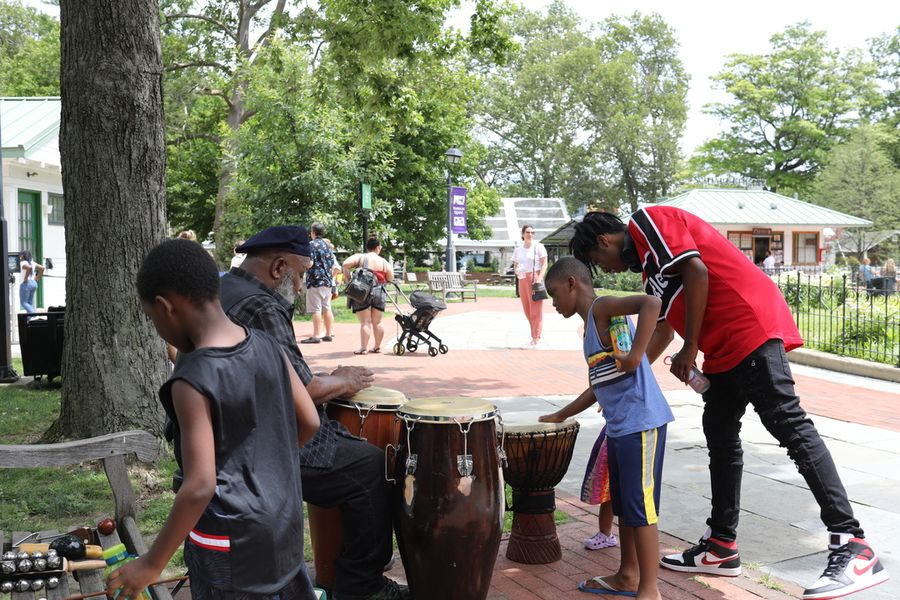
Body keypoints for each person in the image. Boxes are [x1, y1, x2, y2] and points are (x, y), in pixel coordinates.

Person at [570, 208, 889, 599]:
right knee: (719, 436)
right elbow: (664, 328)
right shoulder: (650, 272)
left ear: (603, 241)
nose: (606, 268)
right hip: (721, 348)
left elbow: (697, 271)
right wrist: (625, 381)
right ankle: (721, 545)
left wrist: (690, 346)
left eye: (599, 260)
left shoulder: (646, 222)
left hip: (747, 326)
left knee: (791, 428)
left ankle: (853, 545)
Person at [111, 238, 320, 600]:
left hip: (228, 542)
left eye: (152, 319)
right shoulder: (267, 344)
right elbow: (310, 422)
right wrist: (263, 470)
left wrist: (151, 565)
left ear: (165, 308)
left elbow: (200, 485)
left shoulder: (192, 378)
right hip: (283, 525)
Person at [219, 226, 405, 600]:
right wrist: (345, 381)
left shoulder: (226, 291)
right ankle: (361, 588)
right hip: (257, 446)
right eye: (302, 273)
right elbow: (301, 392)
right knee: (372, 466)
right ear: (279, 267)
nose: (303, 283)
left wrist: (331, 379)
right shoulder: (261, 305)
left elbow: (278, 375)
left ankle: (340, 572)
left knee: (350, 452)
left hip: (224, 435)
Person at [539, 256, 673, 599]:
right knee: (626, 504)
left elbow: (651, 303)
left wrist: (634, 356)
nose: (553, 303)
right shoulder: (591, 327)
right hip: (620, 426)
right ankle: (628, 575)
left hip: (640, 423)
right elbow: (598, 384)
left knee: (640, 509)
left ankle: (650, 589)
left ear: (572, 283)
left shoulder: (602, 308)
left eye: (554, 293)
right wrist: (561, 414)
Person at [342, 237, 394, 355]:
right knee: (378, 322)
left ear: (367, 247)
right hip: (379, 291)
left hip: (361, 290)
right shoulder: (383, 261)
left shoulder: (361, 257)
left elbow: (345, 264)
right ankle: (377, 347)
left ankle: (363, 348)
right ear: (378, 248)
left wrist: (349, 278)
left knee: (365, 321)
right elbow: (390, 278)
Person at [582, 422, 618, 552]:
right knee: (609, 490)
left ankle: (634, 548)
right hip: (613, 433)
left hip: (629, 435)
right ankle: (605, 534)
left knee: (625, 493)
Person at [511, 224, 548, 347]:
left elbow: (544, 264)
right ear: (523, 234)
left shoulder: (539, 247)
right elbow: (516, 265)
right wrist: (517, 272)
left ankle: (536, 338)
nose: (530, 234)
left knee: (535, 311)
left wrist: (539, 278)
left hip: (534, 278)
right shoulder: (518, 250)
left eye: (532, 232)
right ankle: (535, 334)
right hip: (522, 280)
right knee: (527, 310)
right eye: (528, 232)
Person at [301, 224, 337, 344]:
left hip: (315, 280)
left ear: (313, 232)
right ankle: (328, 334)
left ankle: (316, 335)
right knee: (327, 308)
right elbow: (332, 264)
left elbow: (310, 263)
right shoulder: (328, 246)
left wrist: (302, 265)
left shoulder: (310, 245)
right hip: (327, 280)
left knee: (316, 309)